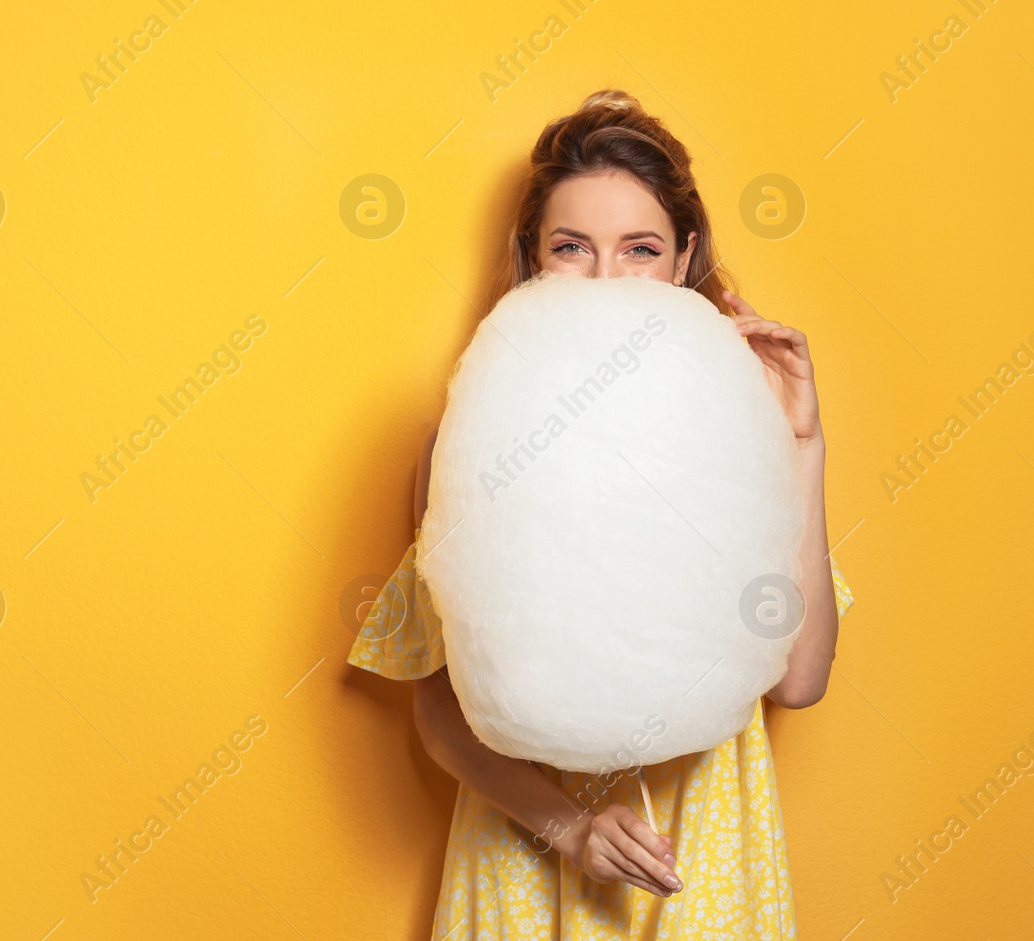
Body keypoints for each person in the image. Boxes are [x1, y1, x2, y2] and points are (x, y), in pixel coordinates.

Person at [348, 89, 854, 939]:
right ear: (532, 258)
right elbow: (438, 710)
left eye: (641, 249)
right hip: (526, 856)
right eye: (572, 247)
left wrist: (802, 441)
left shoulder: (748, 432)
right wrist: (569, 828)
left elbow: (800, 680)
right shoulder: (464, 444)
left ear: (685, 258)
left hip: (701, 861)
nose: (607, 279)